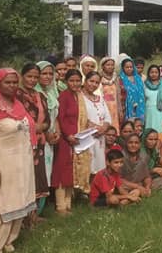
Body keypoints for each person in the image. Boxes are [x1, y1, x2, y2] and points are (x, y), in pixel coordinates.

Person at [0, 68, 37, 253]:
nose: (12, 86)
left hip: (21, 161)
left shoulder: (17, 105)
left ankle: (9, 240)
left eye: (14, 82)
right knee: (1, 201)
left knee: (19, 198)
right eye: (7, 82)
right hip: (2, 162)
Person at [17, 63, 50, 221]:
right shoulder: (15, 95)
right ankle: (22, 217)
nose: (32, 80)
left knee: (36, 177)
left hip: (39, 143)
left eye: (36, 77)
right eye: (29, 76)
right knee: (23, 178)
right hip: (21, 143)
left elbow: (48, 121)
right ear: (22, 76)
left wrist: (40, 127)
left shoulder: (40, 96)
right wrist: (32, 127)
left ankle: (34, 214)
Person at [53, 69, 83, 214]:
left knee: (72, 170)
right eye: (72, 81)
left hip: (77, 138)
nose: (75, 83)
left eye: (78, 81)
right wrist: (68, 135)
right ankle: (60, 206)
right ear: (66, 82)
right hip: (66, 139)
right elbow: (60, 117)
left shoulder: (78, 96)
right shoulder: (64, 96)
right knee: (62, 170)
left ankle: (68, 203)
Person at [81, 71, 114, 181]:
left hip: (100, 137)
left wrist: (103, 128)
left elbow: (108, 117)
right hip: (86, 137)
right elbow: (80, 117)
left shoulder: (100, 99)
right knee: (87, 163)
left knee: (99, 164)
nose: (93, 84)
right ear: (85, 81)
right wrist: (95, 128)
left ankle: (96, 190)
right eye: (91, 81)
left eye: (96, 82)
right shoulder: (79, 98)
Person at [35, 61, 59, 193]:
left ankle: (42, 205)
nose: (48, 77)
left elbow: (55, 115)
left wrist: (58, 132)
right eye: (44, 73)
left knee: (48, 170)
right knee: (39, 170)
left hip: (52, 137)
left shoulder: (52, 92)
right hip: (40, 137)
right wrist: (47, 133)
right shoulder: (34, 93)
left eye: (50, 74)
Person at [144, 65, 162, 132]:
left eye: (156, 72)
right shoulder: (145, 84)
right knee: (151, 130)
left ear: (159, 73)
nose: (154, 74)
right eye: (152, 72)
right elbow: (143, 100)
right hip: (150, 112)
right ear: (148, 73)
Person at [119, 56, 146, 125]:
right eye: (127, 67)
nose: (129, 69)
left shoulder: (138, 78)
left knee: (139, 125)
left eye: (131, 67)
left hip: (140, 105)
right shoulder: (120, 79)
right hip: (127, 106)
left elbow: (143, 92)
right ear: (123, 68)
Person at [98, 56, 122, 130]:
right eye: (108, 65)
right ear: (103, 66)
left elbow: (118, 95)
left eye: (112, 65)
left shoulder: (116, 78)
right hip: (104, 107)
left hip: (114, 108)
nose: (110, 67)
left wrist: (120, 110)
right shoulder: (99, 78)